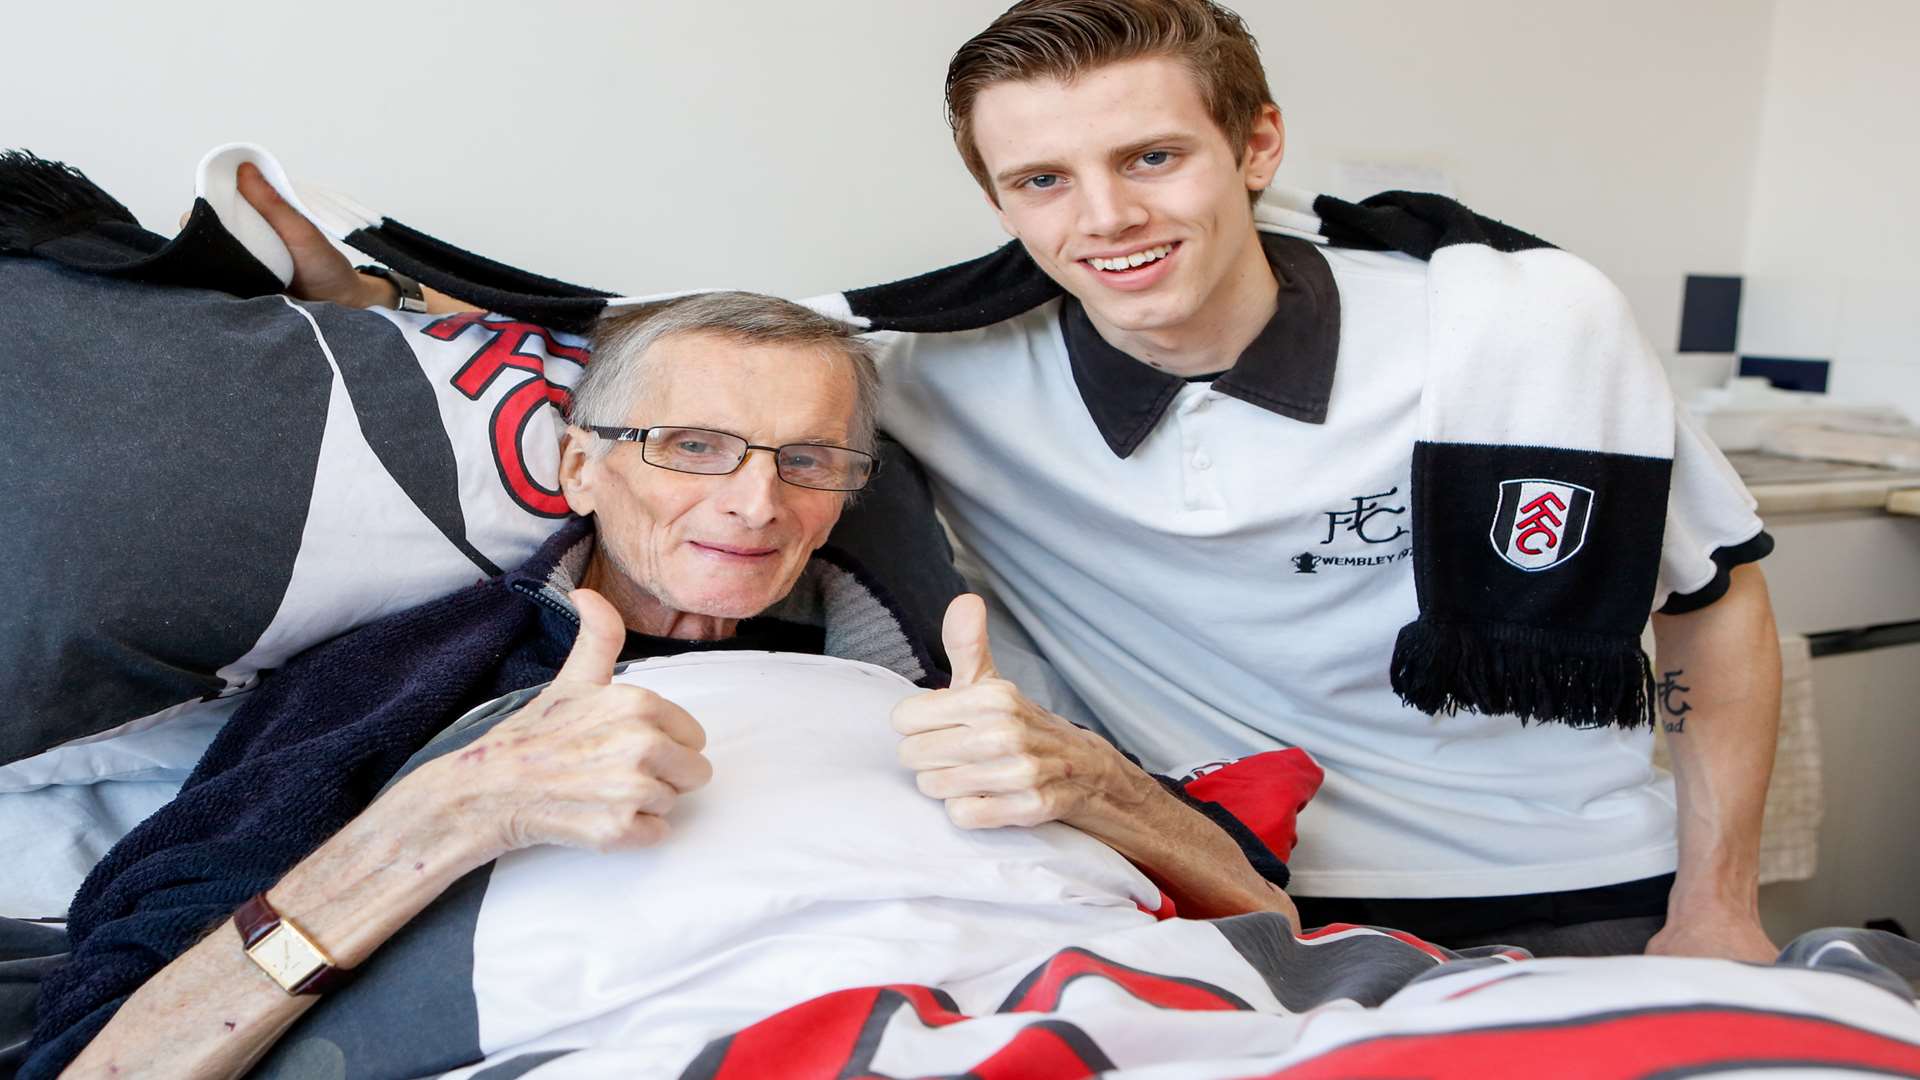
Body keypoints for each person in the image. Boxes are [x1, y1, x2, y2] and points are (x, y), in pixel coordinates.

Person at [227, 0, 1779, 962]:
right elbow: (664, 361)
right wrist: (364, 312)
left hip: (1584, 885)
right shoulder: (939, 374)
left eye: (1153, 158)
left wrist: (1718, 903)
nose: (1105, 218)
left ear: (1256, 144)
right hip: (1219, 889)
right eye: (1042, 180)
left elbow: (1716, 614)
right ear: (995, 199)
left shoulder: (1523, 322)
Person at [36, 289, 1294, 1080]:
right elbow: (110, 1051)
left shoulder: (925, 668)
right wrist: (456, 813)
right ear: (582, 466)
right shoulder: (402, 674)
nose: (756, 503)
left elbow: (1268, 917)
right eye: (692, 448)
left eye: (809, 459)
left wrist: (1099, 790)